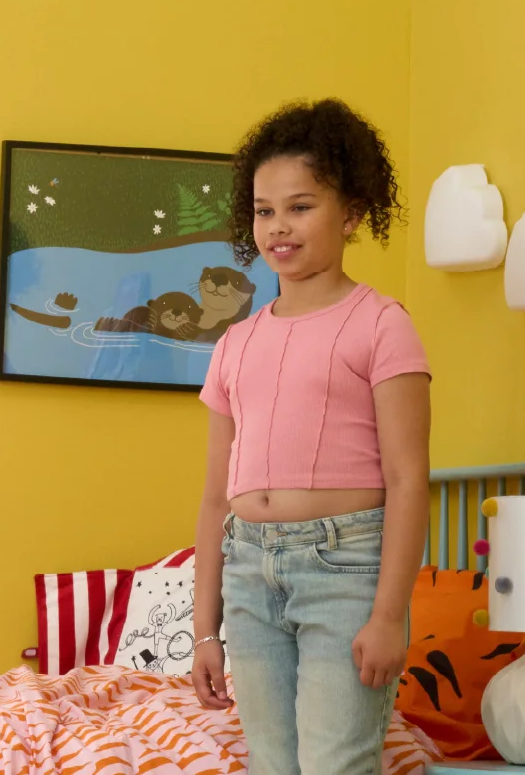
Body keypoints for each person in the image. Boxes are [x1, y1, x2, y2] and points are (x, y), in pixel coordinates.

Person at [185, 99, 430, 774]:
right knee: (271, 764)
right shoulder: (236, 343)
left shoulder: (381, 325)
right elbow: (214, 498)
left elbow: (408, 479)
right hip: (249, 573)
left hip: (343, 572)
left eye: (299, 206)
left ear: (350, 213)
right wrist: (205, 629)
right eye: (263, 210)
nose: (277, 227)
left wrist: (387, 615)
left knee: (333, 763)